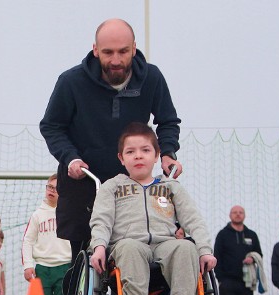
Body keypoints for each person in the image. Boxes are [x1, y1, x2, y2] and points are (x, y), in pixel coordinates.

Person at [40, 18, 181, 262]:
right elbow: (52, 126)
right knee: (82, 262)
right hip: (85, 185)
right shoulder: (71, 82)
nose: (116, 60)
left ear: (134, 48)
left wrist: (168, 152)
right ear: (95, 50)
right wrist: (70, 158)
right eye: (108, 52)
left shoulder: (152, 78)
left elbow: (167, 121)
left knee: (137, 253)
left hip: (132, 186)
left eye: (123, 51)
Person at [89, 123, 217, 295]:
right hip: (128, 246)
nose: (138, 155)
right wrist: (98, 247)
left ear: (157, 156)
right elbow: (101, 220)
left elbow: (193, 220)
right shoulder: (112, 186)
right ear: (121, 158)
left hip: (165, 246)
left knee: (186, 247)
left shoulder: (170, 187)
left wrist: (205, 251)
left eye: (145, 150)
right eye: (131, 151)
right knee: (129, 246)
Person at [22, 174, 72, 295]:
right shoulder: (37, 215)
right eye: (49, 187)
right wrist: (28, 265)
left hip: (65, 266)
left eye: (56, 188)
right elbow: (27, 241)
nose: (52, 191)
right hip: (43, 267)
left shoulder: (68, 212)